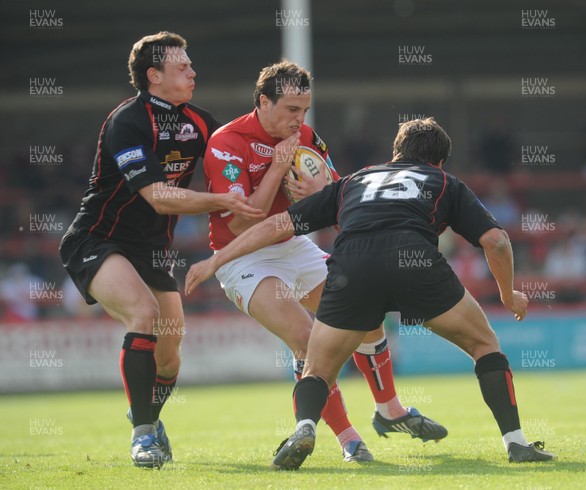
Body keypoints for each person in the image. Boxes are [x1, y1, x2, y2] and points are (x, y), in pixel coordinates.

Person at [186, 117, 556, 469]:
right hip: (417, 267)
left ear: (395, 152)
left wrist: (216, 261)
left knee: (317, 368)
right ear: (439, 161)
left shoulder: (354, 181)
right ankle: (517, 443)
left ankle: (306, 428)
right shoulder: (443, 181)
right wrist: (507, 294)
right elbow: (497, 240)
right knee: (485, 346)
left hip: (352, 271)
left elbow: (277, 225)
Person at [195, 61, 447, 463]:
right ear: (263, 101)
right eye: (292, 110)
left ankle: (390, 410)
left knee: (366, 314)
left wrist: (321, 188)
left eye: (305, 110)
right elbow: (241, 220)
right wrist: (278, 167)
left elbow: (343, 193)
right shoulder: (227, 142)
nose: (301, 120)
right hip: (245, 257)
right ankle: (348, 439)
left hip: (294, 246)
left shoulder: (306, 136)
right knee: (305, 337)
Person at [59, 32, 263, 469]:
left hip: (153, 250)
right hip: (98, 239)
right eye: (182, 66)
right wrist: (225, 201)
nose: (193, 72)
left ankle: (145, 415)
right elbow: (158, 196)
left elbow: (234, 170)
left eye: (191, 65)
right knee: (143, 315)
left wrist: (277, 170)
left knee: (169, 356)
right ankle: (143, 436)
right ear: (154, 76)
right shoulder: (127, 121)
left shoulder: (203, 122)